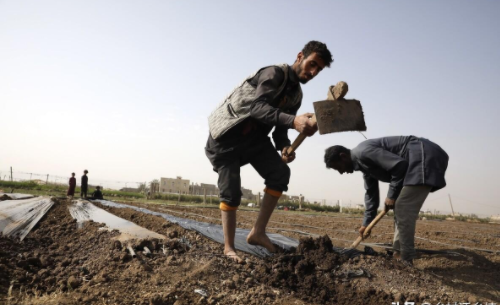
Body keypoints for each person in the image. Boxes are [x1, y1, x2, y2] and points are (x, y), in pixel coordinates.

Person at [206, 41, 333, 262]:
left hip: (253, 140)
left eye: (318, 70)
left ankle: (257, 233)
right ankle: (228, 248)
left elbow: (280, 131)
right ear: (300, 56)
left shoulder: (296, 96)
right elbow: (257, 108)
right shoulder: (274, 73)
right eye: (312, 64)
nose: (313, 72)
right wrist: (294, 120)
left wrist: (285, 146)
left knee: (280, 173)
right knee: (231, 191)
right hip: (226, 138)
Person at [324, 136, 449, 265]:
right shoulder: (363, 164)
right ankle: (398, 253)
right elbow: (371, 195)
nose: (341, 172)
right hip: (416, 158)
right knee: (400, 207)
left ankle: (405, 260)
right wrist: (366, 224)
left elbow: (400, 165)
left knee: (403, 207)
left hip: (423, 155)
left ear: (343, 156)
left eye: (337, 167)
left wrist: (391, 195)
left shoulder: (363, 152)